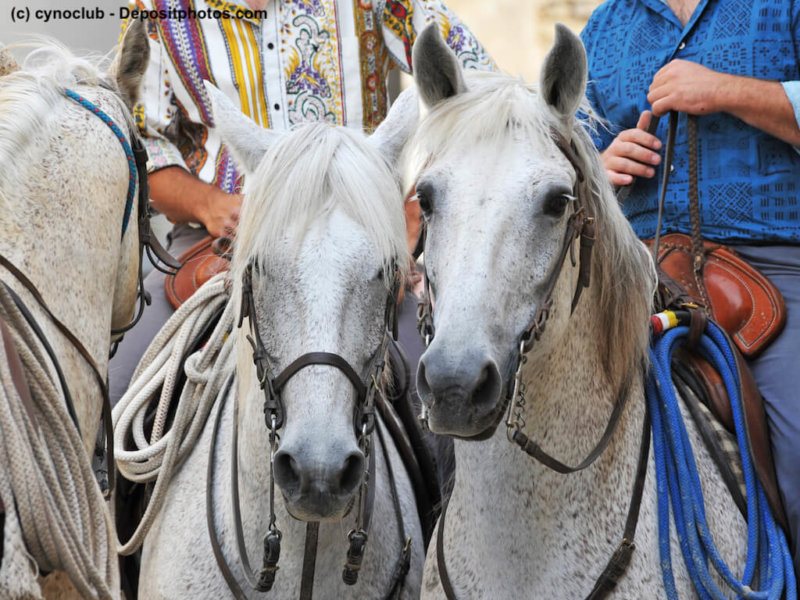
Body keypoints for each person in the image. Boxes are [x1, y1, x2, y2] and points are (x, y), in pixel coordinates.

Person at [109, 0, 494, 403]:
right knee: (120, 392)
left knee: (445, 398)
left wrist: (414, 213)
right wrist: (209, 205)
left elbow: (481, 90)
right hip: (216, 243)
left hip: (369, 246)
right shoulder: (157, 8)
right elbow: (140, 142)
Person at [580, 0, 800, 575]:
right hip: (632, 274)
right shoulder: (604, 26)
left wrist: (725, 91)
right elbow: (556, 151)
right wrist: (595, 166)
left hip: (773, 270)